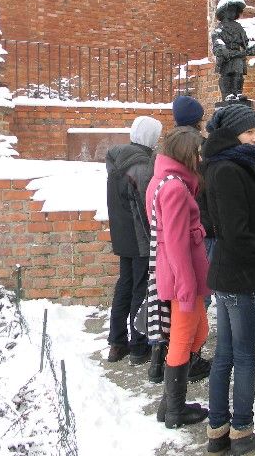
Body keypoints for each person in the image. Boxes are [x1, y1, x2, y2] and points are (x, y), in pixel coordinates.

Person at [204, 104, 255, 455]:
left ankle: (218, 430)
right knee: (243, 356)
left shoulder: (225, 164)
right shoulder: (229, 169)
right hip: (241, 274)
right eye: (250, 132)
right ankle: (241, 432)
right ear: (233, 134)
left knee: (225, 354)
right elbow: (235, 230)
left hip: (229, 271)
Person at [146, 126, 210, 429]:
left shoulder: (166, 180)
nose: (201, 158)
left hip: (182, 272)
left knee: (198, 331)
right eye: (198, 152)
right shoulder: (174, 188)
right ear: (186, 153)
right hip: (182, 275)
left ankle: (168, 403)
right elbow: (174, 243)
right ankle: (174, 410)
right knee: (184, 337)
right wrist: (185, 286)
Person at [106, 116, 162, 365]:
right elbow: (146, 207)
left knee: (124, 287)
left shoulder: (117, 160)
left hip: (123, 237)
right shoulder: (141, 166)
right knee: (140, 289)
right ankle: (139, 347)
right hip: (140, 239)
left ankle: (117, 343)